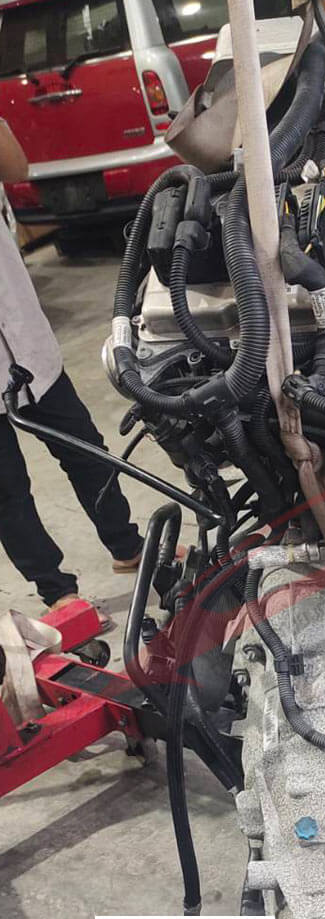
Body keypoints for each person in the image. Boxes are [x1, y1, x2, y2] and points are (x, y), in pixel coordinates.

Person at [0, 118, 143, 610]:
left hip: (27, 342)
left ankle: (127, 546)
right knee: (7, 489)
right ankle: (58, 593)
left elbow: (16, 166)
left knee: (85, 450)